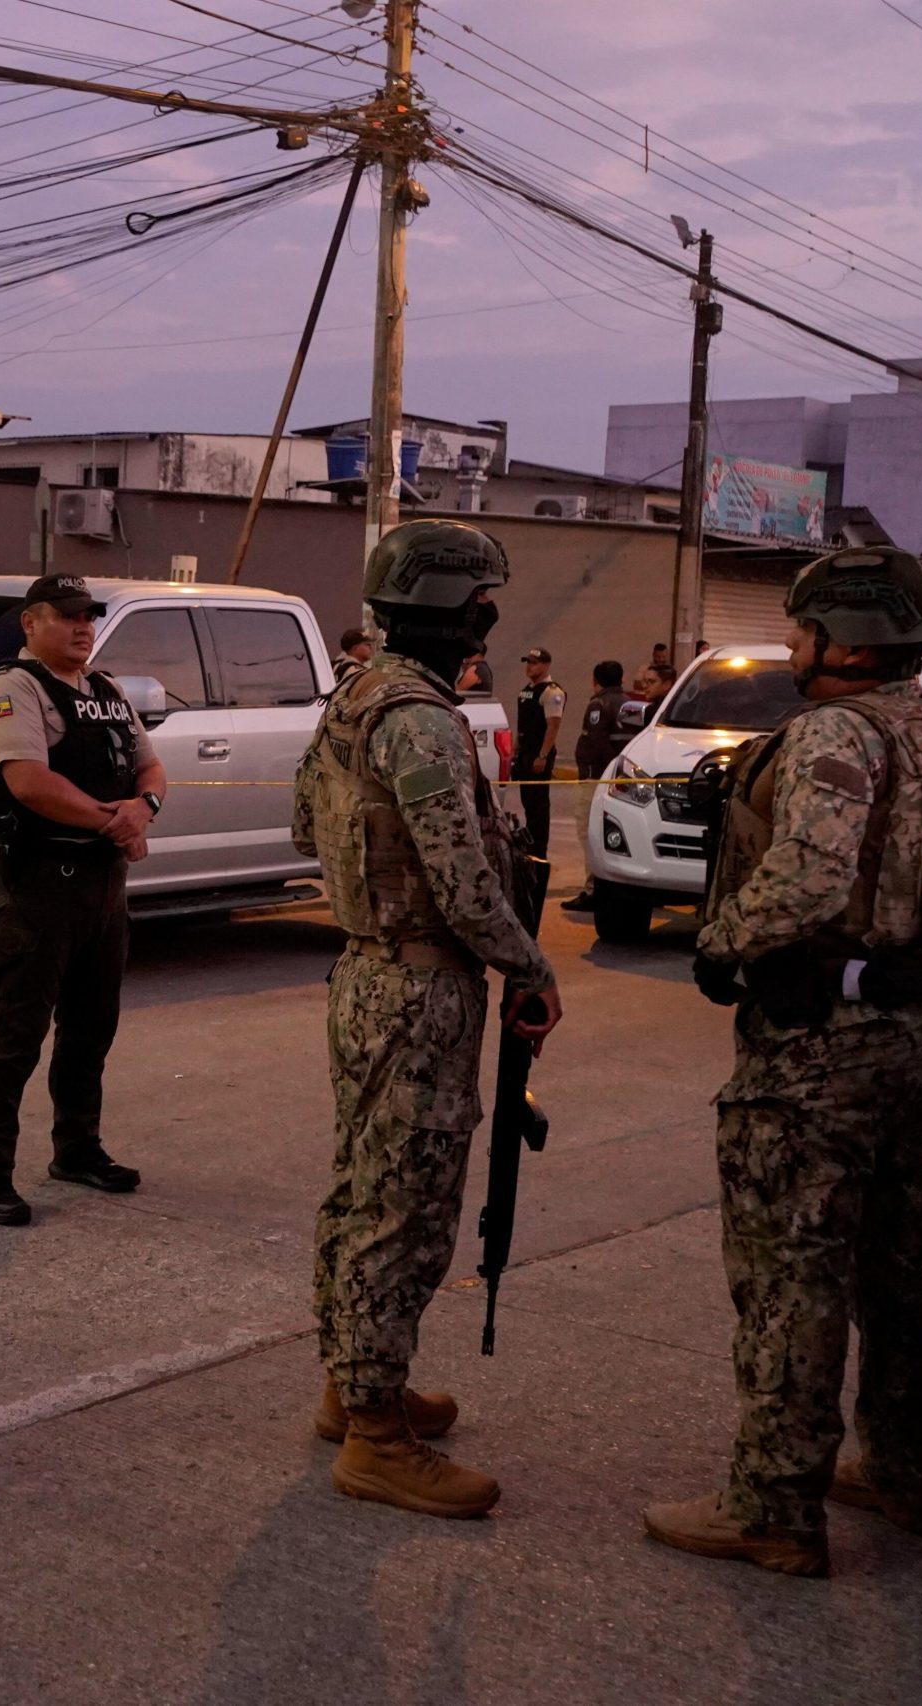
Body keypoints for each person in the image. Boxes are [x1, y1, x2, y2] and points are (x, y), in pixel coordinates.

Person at [646, 548, 922, 1578]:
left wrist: (721, 942)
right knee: (897, 1258)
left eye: (801, 628)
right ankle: (905, 1467)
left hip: (827, 1041)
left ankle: (772, 1501)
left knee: (790, 1265)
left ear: (843, 640)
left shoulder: (833, 732)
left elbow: (803, 875)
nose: (791, 643)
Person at [290, 520, 561, 1521]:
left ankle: (354, 1380)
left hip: (366, 971)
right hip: (418, 985)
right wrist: (530, 969)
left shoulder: (356, 697)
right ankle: (373, 1434)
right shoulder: (418, 718)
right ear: (452, 607)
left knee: (362, 1186)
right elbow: (463, 884)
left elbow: (301, 823)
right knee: (402, 1205)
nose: (491, 615)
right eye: (481, 599)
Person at [0, 574, 167, 1227]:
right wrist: (116, 822)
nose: (83, 627)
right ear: (32, 623)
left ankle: (77, 1149)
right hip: (36, 882)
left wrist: (145, 806)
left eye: (90, 617)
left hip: (102, 887)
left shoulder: (105, 691)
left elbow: (149, 767)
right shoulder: (11, 689)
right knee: (16, 1033)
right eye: (69, 616)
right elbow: (28, 783)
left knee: (91, 1026)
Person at [513, 647, 566, 849]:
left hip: (538, 753)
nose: (529, 667)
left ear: (545, 665)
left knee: (538, 804)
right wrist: (514, 752)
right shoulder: (526, 691)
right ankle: (531, 841)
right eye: (528, 662)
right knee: (527, 800)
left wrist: (542, 756)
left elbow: (553, 726)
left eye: (534, 663)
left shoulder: (552, 692)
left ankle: (539, 845)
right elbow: (522, 726)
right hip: (525, 753)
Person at [573, 660, 632, 781]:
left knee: (587, 799)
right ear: (621, 680)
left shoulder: (598, 704)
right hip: (623, 767)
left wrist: (613, 765)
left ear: (595, 681)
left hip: (597, 770)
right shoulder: (630, 703)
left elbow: (597, 739)